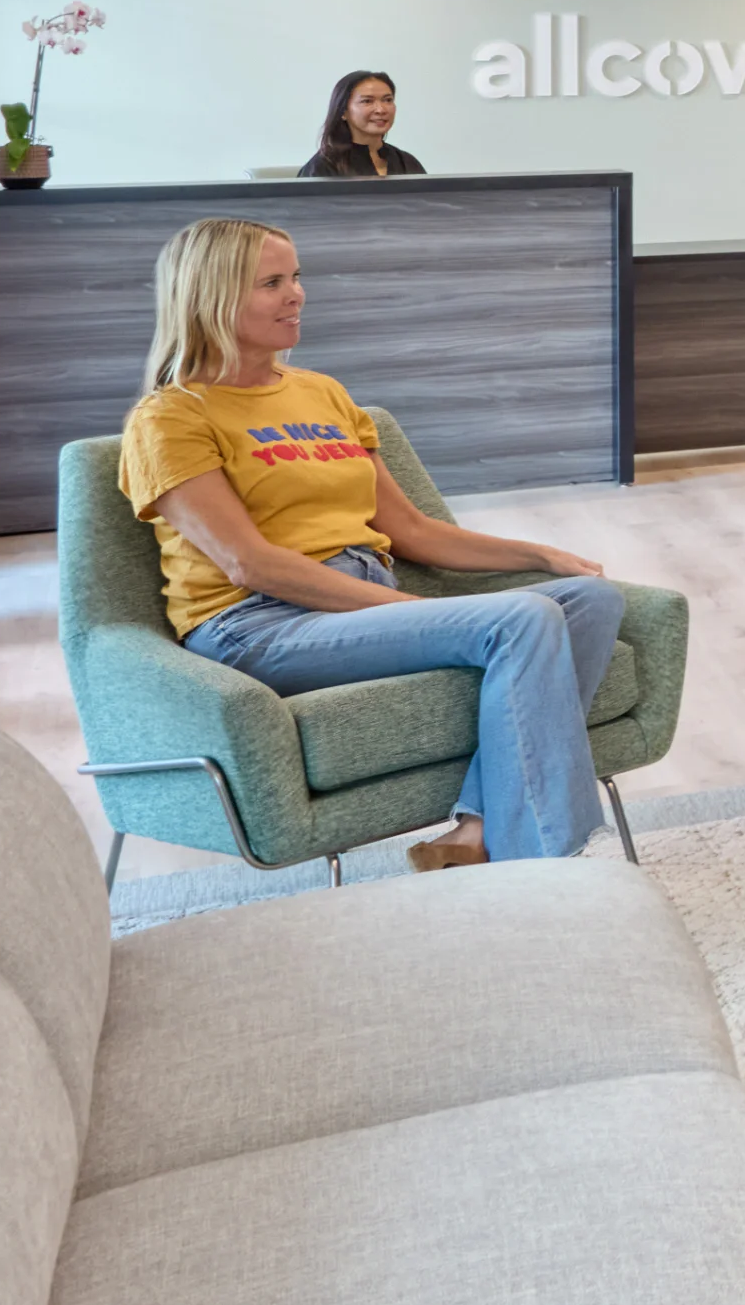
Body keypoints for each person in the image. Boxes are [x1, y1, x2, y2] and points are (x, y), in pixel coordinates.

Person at [119, 215, 621, 865]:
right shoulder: (172, 415)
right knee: (520, 620)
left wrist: (543, 556)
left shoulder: (321, 391)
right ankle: (540, 869)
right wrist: (409, 609)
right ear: (211, 297)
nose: (297, 293)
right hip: (259, 624)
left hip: (353, 598)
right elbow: (250, 561)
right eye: (272, 282)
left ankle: (476, 834)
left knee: (591, 600)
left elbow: (409, 529)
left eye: (296, 277)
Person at [297, 69, 427, 178]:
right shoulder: (322, 168)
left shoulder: (406, 162)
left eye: (387, 100)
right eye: (367, 101)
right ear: (343, 111)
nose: (381, 109)